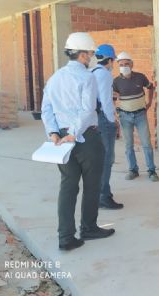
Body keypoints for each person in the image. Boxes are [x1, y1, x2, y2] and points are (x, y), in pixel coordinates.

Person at [41, 32, 116, 251]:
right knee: (92, 185)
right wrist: (74, 132)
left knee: (68, 186)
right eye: (91, 53)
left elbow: (46, 109)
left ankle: (65, 237)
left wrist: (54, 132)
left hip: (61, 141)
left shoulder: (55, 77)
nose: (92, 57)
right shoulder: (87, 77)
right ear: (82, 55)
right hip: (85, 138)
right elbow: (87, 109)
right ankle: (89, 228)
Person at [113, 51, 158, 182]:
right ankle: (133, 170)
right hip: (125, 117)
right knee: (128, 146)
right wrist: (115, 112)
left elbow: (151, 87)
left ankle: (151, 171)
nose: (124, 66)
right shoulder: (116, 82)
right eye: (121, 64)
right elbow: (112, 98)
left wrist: (149, 102)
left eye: (127, 64)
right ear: (118, 66)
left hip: (140, 115)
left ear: (132, 64)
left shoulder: (140, 77)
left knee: (147, 144)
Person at [92, 44, 124, 210]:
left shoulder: (93, 72)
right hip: (104, 120)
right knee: (107, 159)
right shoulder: (104, 75)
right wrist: (113, 121)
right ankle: (104, 196)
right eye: (114, 61)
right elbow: (105, 102)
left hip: (94, 120)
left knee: (99, 159)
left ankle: (98, 194)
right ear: (110, 60)